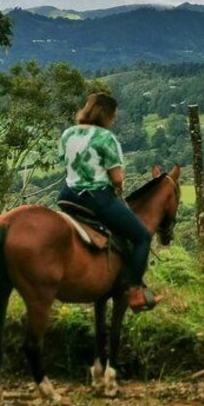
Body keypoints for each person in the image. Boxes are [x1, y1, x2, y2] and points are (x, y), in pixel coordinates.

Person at [58, 92, 159, 312]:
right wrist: (118, 187)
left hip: (67, 197)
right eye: (112, 116)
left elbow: (65, 164)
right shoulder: (106, 138)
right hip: (96, 199)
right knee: (142, 237)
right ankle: (134, 291)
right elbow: (116, 178)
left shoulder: (68, 134)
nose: (113, 121)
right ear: (105, 115)